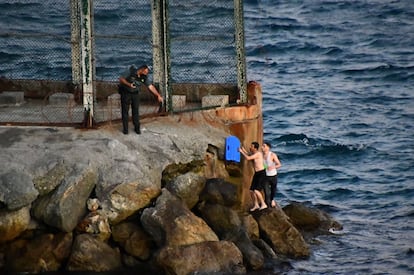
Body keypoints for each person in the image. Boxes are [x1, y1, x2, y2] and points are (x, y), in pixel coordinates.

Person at [118, 64, 163, 135]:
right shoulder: (130, 71)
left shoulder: (144, 77)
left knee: (136, 111)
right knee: (125, 111)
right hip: (126, 93)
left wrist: (158, 95)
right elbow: (121, 79)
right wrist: (129, 84)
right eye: (146, 71)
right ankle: (125, 129)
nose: (147, 73)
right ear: (142, 69)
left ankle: (137, 128)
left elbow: (150, 87)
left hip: (135, 94)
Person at [239, 142, 268, 211]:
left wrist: (241, 152)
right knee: (251, 191)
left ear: (255, 148)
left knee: (256, 190)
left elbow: (248, 158)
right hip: (257, 173)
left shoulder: (258, 154)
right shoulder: (255, 154)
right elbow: (249, 155)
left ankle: (263, 204)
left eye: (251, 146)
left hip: (261, 173)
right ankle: (256, 205)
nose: (250, 147)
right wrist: (243, 150)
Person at [262, 142, 282, 207]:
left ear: (268, 147)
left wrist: (273, 167)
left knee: (273, 191)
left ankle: (272, 199)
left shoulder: (272, 155)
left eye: (264, 146)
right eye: (262, 146)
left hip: (273, 175)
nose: (262, 147)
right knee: (267, 193)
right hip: (265, 176)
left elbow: (279, 164)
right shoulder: (261, 155)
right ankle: (268, 206)